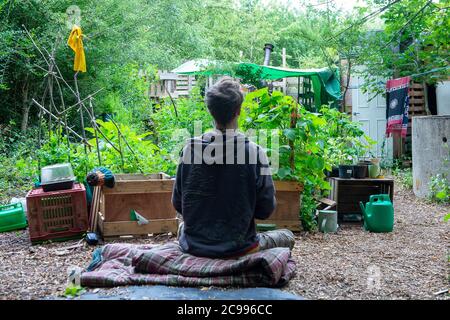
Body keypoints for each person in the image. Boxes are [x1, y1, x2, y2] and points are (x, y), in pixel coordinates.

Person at [172, 77, 295, 258]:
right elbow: (266, 210)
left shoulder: (189, 150)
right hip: (239, 247)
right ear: (238, 110)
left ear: (210, 110)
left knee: (182, 227)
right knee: (287, 236)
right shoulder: (254, 152)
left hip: (194, 246)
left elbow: (177, 203)